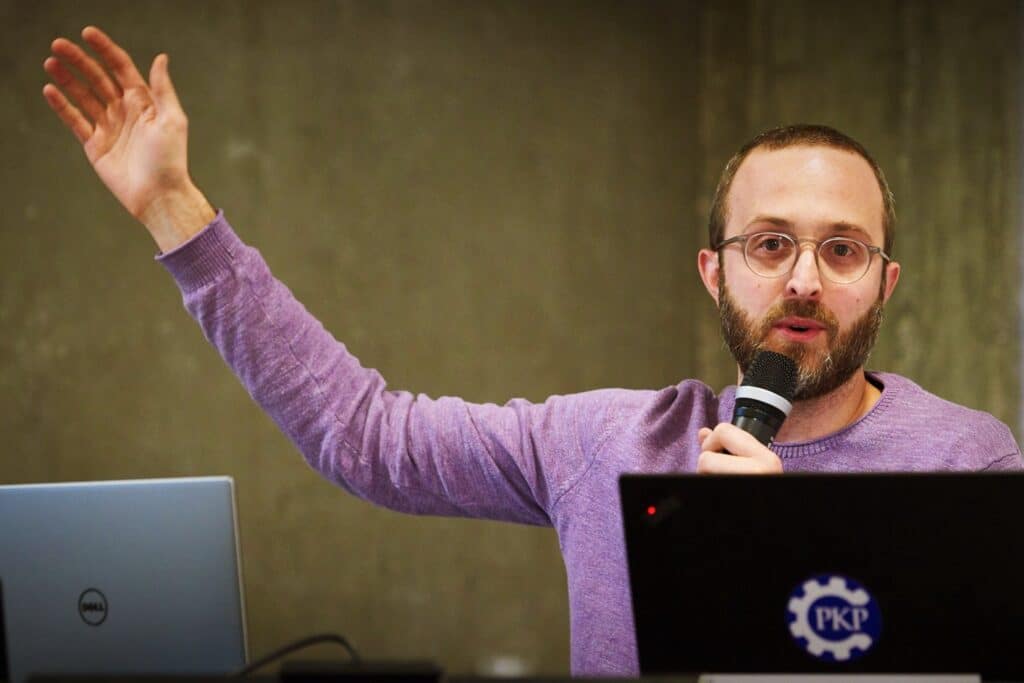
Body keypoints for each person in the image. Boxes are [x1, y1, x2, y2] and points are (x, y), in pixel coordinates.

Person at [43, 27, 1022, 675]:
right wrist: (174, 209)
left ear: (884, 281)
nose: (804, 278)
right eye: (769, 243)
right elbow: (364, 434)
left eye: (841, 249)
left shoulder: (967, 462)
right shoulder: (605, 438)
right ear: (713, 272)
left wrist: (776, 554)